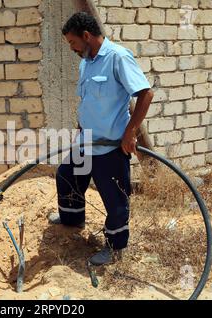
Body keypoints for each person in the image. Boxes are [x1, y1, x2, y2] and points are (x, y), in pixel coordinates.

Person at [48, 12, 154, 266]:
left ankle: (115, 248)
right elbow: (88, 101)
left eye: (73, 42)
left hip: (110, 146)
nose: (72, 48)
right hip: (86, 142)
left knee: (115, 199)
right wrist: (79, 128)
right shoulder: (87, 61)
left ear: (86, 36)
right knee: (66, 175)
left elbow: (146, 94)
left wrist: (129, 133)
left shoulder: (117, 57)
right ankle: (72, 220)